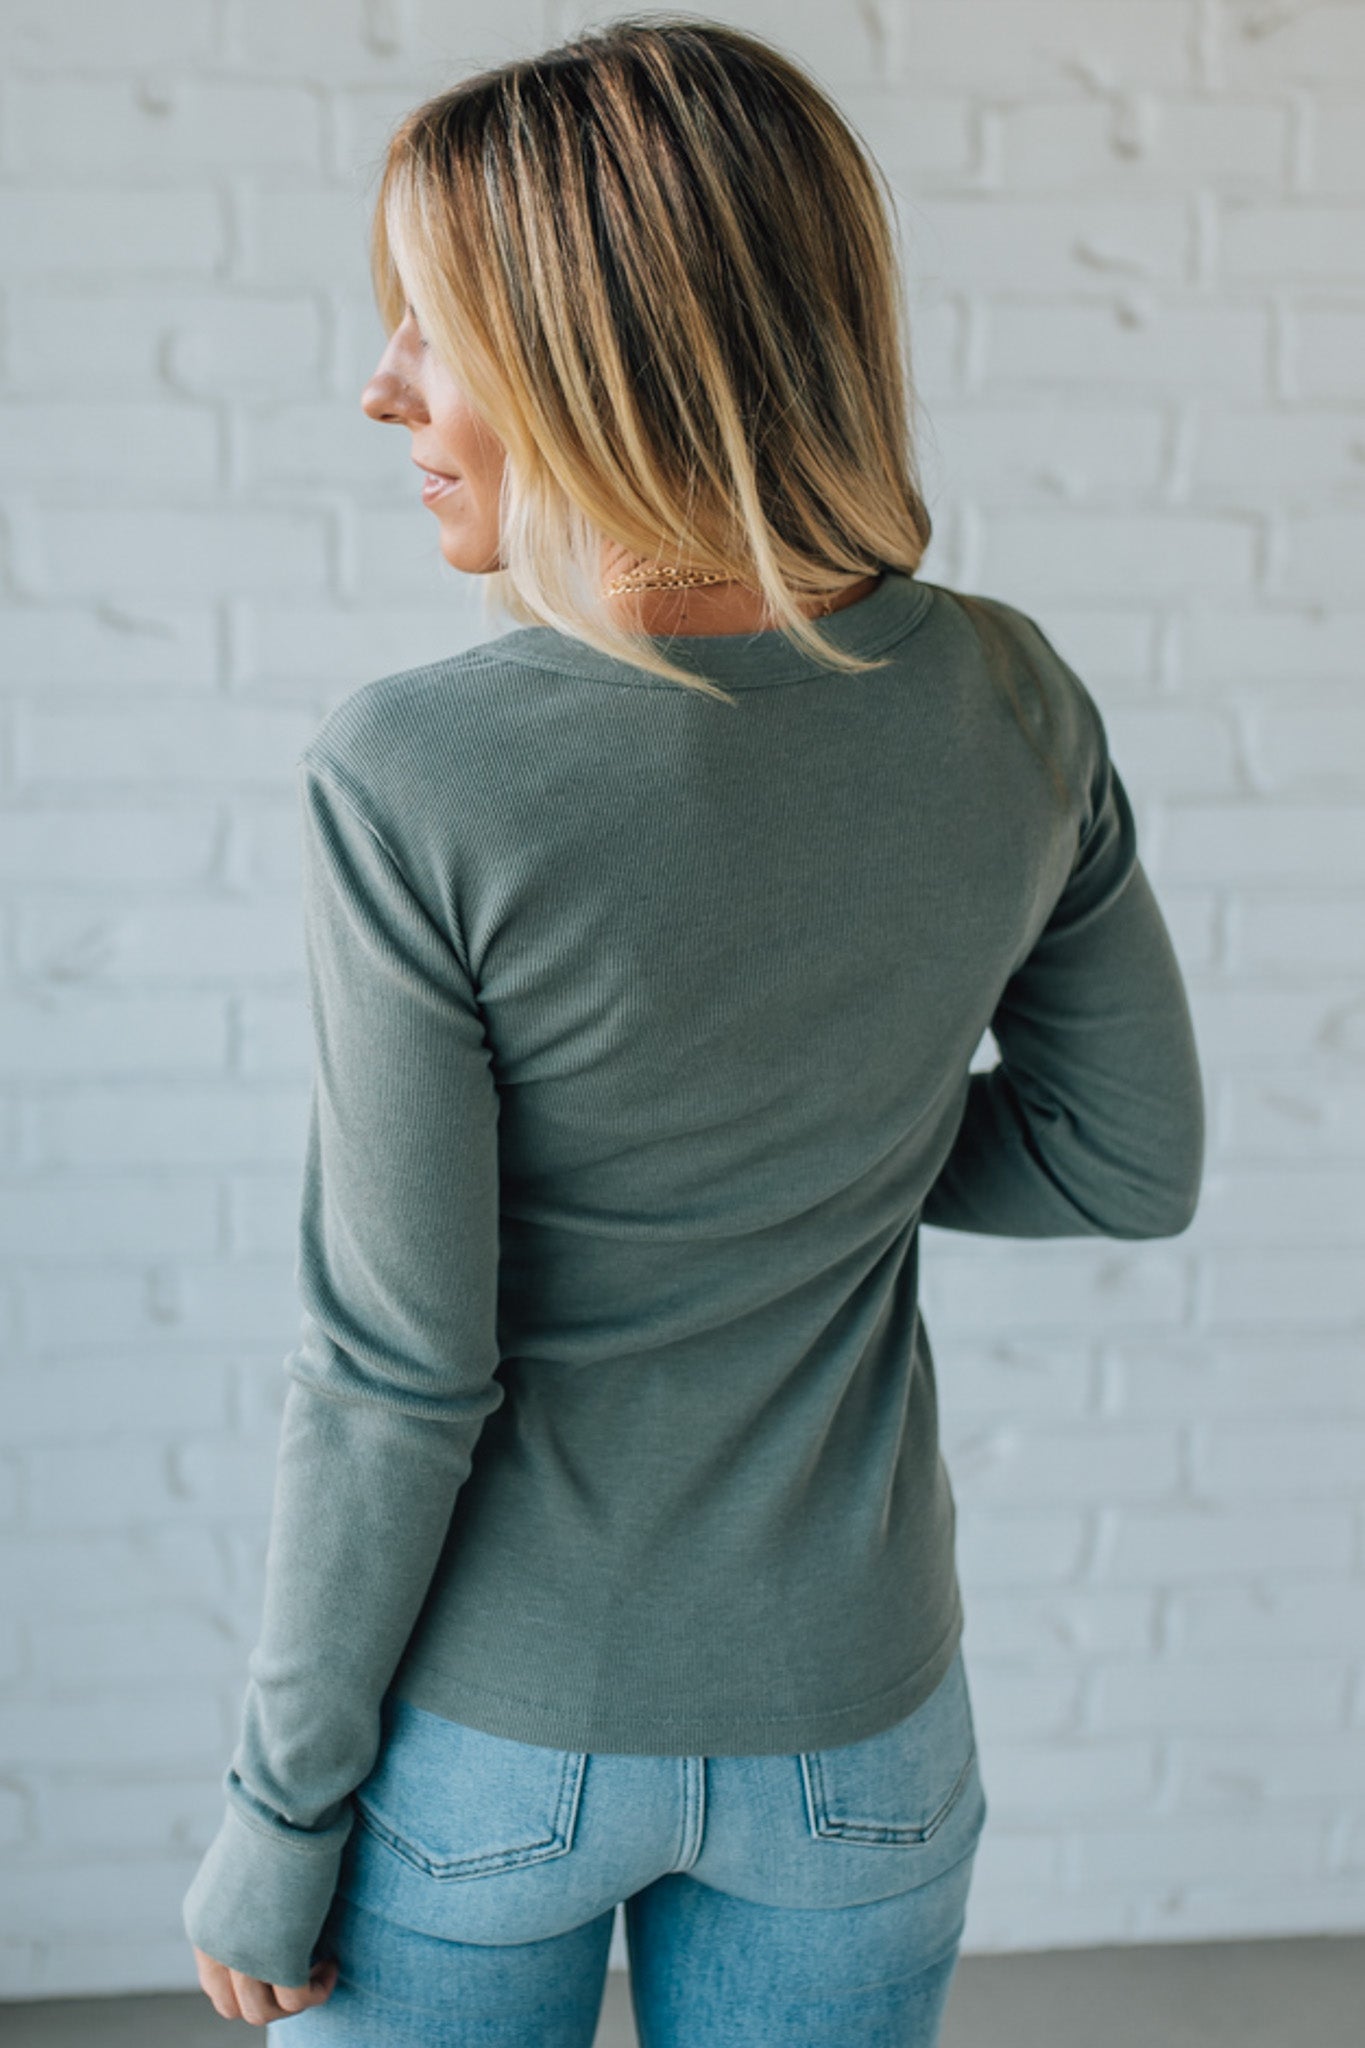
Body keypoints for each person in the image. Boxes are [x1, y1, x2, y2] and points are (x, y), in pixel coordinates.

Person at [181, 14, 1205, 2044]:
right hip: (859, 1737)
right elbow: (1122, 1159)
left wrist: (276, 1813)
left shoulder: (416, 772)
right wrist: (813, 1138)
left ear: (605, 354)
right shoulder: (1007, 698)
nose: (377, 383)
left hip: (490, 1741)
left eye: (429, 325)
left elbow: (397, 1372)